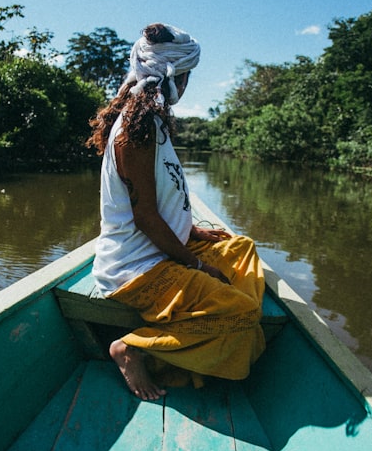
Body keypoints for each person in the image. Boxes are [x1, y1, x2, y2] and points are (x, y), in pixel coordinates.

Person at [86, 23, 266, 401]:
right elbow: (146, 218)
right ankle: (135, 347)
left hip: (164, 249)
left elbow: (164, 202)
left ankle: (207, 319)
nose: (186, 85)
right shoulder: (135, 131)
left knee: (241, 247)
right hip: (135, 270)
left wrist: (194, 233)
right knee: (244, 313)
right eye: (187, 77)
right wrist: (198, 267)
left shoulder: (151, 120)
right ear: (175, 77)